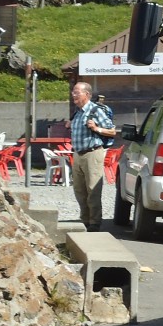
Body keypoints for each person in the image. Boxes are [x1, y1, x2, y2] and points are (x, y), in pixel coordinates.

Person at [70, 81, 117, 231]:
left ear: (87, 94)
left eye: (77, 92)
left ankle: (94, 223)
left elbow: (112, 131)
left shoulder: (95, 110)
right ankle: (85, 220)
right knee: (79, 190)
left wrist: (96, 128)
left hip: (92, 153)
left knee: (93, 189)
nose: (73, 95)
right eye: (73, 92)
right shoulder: (77, 112)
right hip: (78, 154)